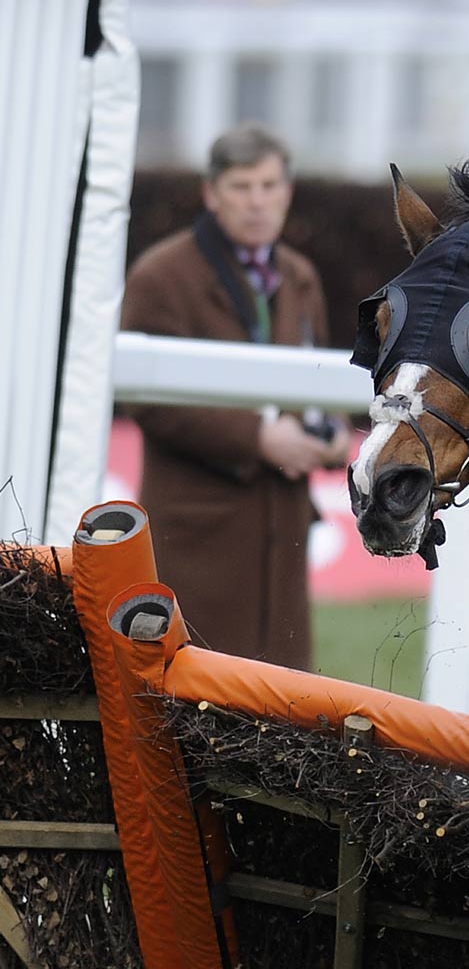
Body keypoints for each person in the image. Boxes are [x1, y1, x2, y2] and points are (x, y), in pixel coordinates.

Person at [119, 123, 350, 667]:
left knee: (282, 715)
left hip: (283, 532)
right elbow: (144, 398)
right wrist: (259, 439)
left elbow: (315, 378)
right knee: (188, 704)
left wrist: (335, 434)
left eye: (270, 186)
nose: (257, 202)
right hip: (197, 539)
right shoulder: (161, 275)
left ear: (287, 192)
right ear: (212, 193)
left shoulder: (300, 276)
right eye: (242, 187)